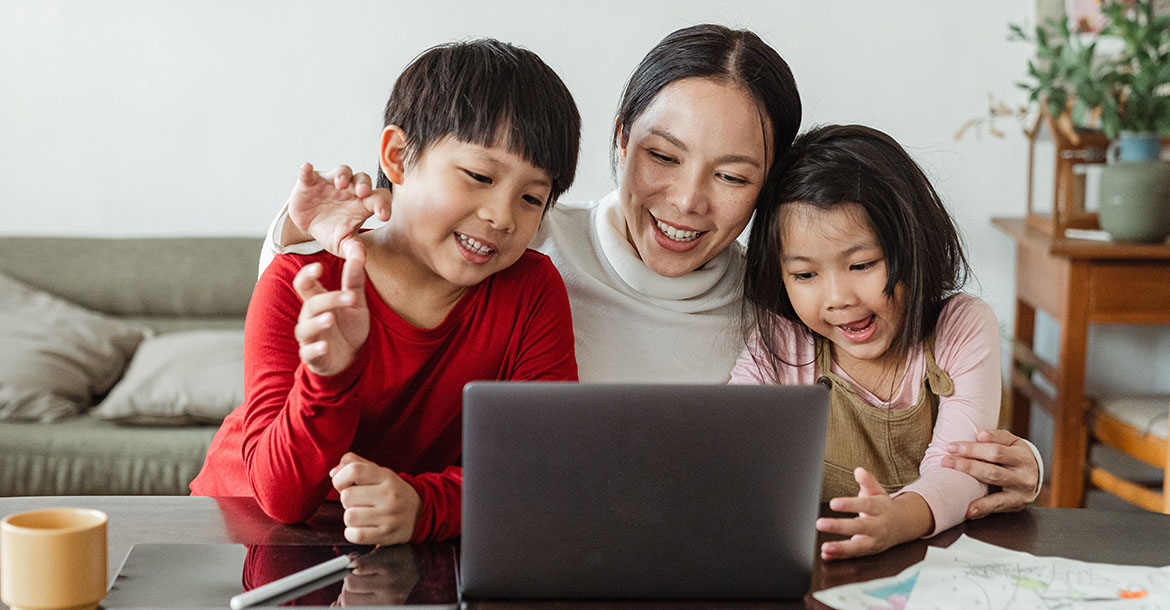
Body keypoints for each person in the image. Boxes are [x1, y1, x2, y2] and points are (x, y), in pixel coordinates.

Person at [259, 25, 1042, 520]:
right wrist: (298, 231)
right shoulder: (521, 245)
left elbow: (869, 419)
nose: (688, 202)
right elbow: (334, 297)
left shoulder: (787, 307)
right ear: (621, 136)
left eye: (733, 178)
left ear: (768, 190)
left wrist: (999, 468)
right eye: (662, 157)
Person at [188, 38, 582, 544]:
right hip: (244, 526)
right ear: (398, 157)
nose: (502, 217)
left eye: (532, 198)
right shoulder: (298, 282)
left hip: (398, 537)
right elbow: (281, 497)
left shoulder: (532, 289)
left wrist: (424, 506)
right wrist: (328, 378)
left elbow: (543, 471)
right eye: (480, 175)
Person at [731, 124, 1013, 560]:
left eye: (862, 264)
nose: (839, 298)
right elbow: (727, 444)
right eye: (805, 275)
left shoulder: (961, 327)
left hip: (945, 564)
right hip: (823, 563)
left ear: (913, 242)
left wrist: (898, 519)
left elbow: (960, 471)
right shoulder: (782, 342)